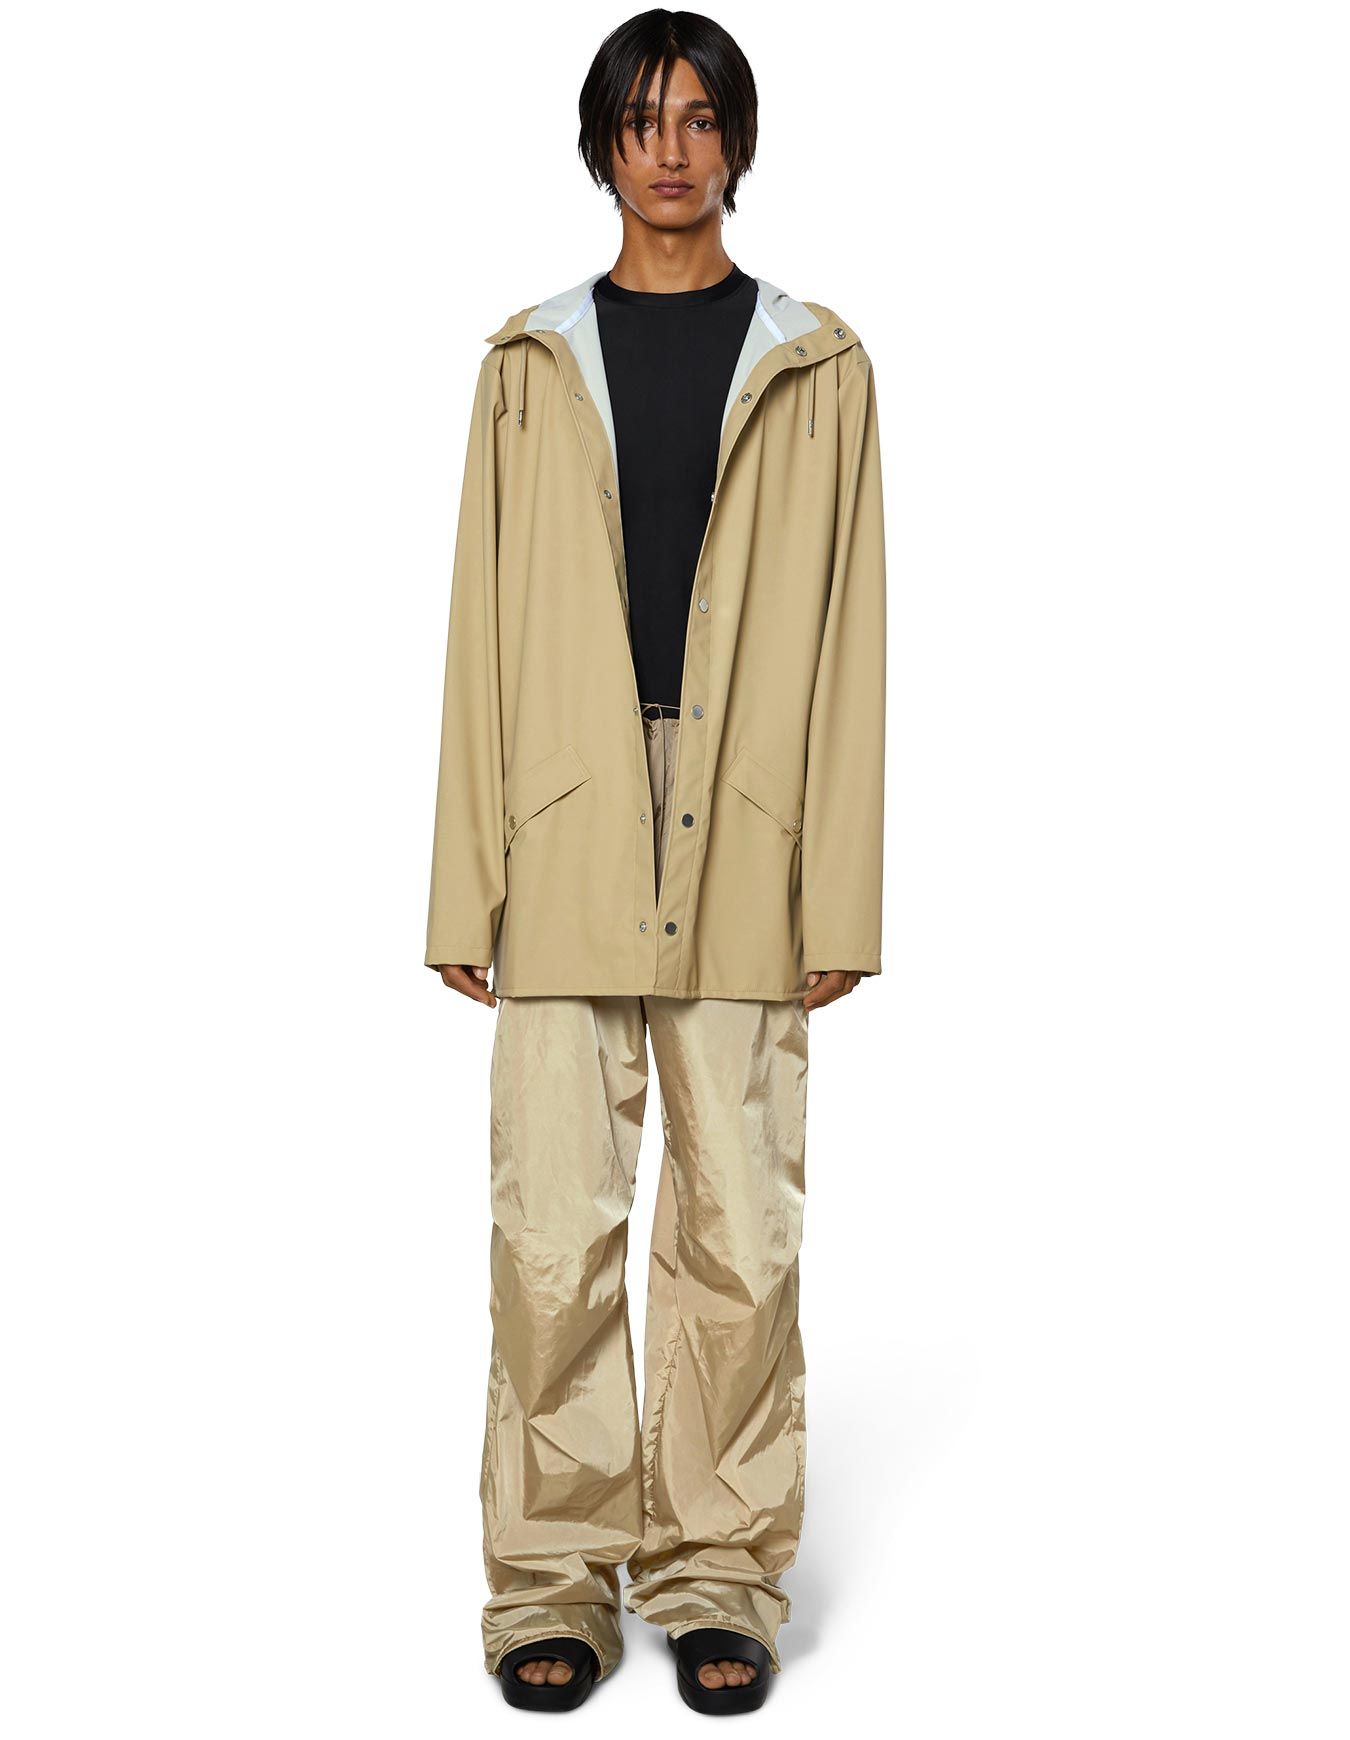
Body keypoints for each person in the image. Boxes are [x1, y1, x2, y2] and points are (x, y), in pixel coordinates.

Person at [425, 8, 886, 1714]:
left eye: (698, 118)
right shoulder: (525, 364)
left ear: (736, 143)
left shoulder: (817, 363)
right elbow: (479, 631)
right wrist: (462, 876)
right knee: (552, 1228)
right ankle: (550, 1571)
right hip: (562, 813)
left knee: (736, 1233)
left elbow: (850, 640)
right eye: (641, 119)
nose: (670, 148)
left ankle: (715, 1573)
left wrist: (839, 891)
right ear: (601, 145)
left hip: (748, 821)